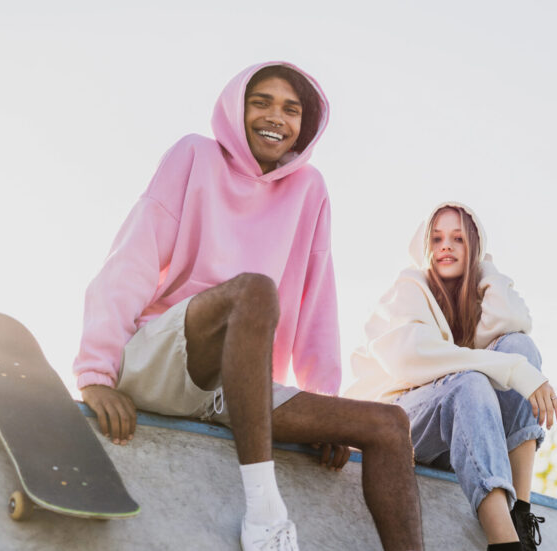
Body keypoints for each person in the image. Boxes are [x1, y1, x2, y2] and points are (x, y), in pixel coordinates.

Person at [72, 62, 423, 551]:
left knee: (388, 426)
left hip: (242, 389)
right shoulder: (193, 154)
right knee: (255, 290)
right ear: (237, 108)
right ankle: (265, 514)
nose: (275, 117)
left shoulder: (310, 190)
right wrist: (96, 374)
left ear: (306, 124)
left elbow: (316, 297)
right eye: (261, 102)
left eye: (291, 109)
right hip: (169, 359)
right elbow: (131, 261)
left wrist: (325, 402)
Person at [345, 202, 557, 551]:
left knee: (519, 346)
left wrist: (487, 271)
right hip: (398, 423)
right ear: (424, 247)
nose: (445, 246)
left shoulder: (476, 300)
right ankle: (504, 543)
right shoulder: (408, 289)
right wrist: (512, 372)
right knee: (471, 381)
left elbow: (515, 324)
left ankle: (521, 513)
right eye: (436, 238)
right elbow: (410, 359)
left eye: (459, 239)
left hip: (462, 434)